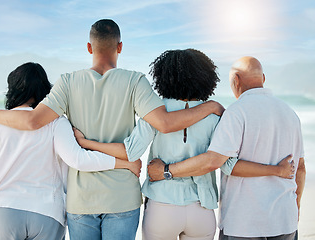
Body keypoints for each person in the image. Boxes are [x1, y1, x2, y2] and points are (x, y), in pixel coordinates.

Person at [0, 20, 225, 239]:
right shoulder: (135, 81)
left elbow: (33, 122)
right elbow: (165, 123)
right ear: (120, 47)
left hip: (81, 199)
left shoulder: (68, 82)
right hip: (122, 196)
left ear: (89, 47)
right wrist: (211, 106)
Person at [73, 50, 295, 240]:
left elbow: (131, 151)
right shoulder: (216, 115)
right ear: (206, 77)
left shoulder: (156, 111)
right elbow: (228, 165)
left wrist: (86, 142)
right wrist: (276, 170)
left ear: (164, 77)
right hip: (202, 209)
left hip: (162, 206)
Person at [0, 62, 141, 240]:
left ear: (12, 90)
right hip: (47, 212)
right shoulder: (57, 123)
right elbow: (78, 160)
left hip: (3, 210)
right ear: (45, 90)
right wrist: (122, 163)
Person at [147, 56, 306, 240]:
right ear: (263, 79)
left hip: (244, 223)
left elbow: (214, 161)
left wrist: (166, 171)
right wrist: (296, 205)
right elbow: (300, 168)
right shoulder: (291, 114)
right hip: (285, 220)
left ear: (235, 80)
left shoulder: (237, 112)